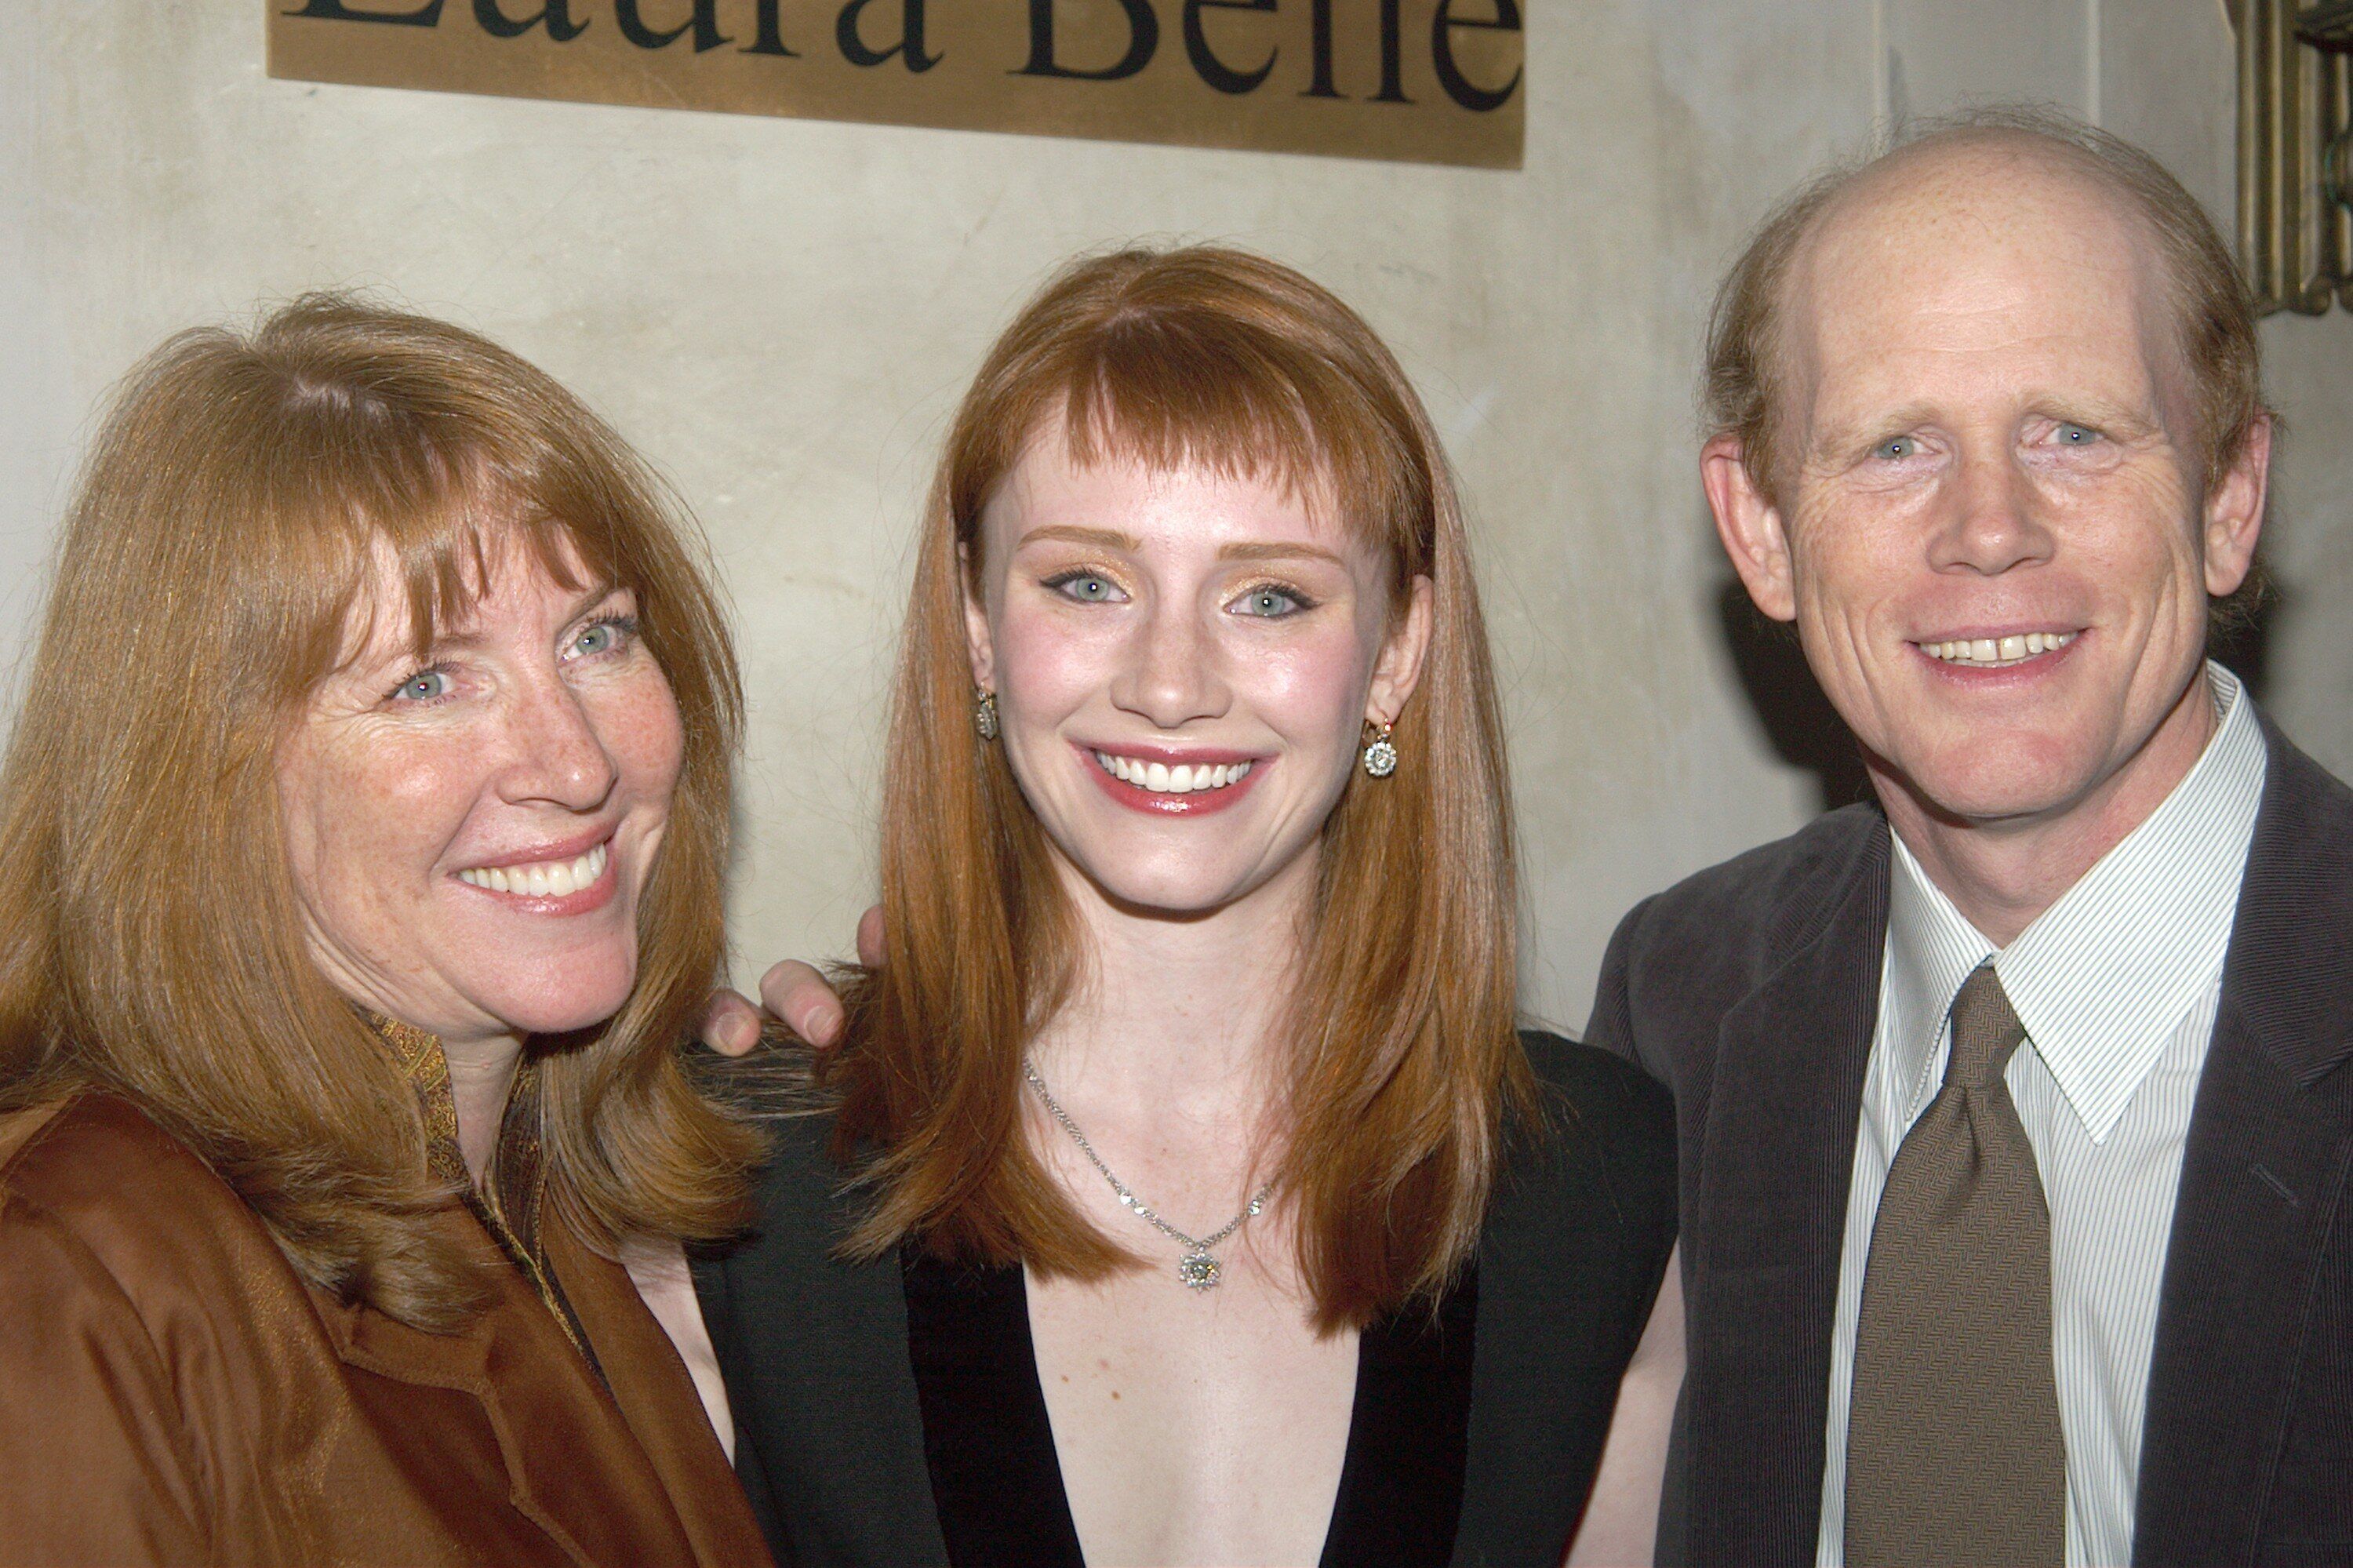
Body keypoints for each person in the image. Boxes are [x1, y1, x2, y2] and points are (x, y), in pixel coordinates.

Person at [691, 246, 1679, 1568]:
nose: (1170, 684)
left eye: (1270, 596)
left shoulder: (1600, 1189)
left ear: (1397, 650)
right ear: (978, 623)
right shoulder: (740, 1181)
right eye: (1087, 584)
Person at [1590, 108, 2351, 1566]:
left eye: (2075, 432)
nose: (1990, 528)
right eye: (1895, 447)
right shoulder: (1684, 1003)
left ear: (2229, 499)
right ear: (1761, 532)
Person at [0, 297, 774, 1566]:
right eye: (427, 681)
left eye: (598, 636)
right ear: (198, 778)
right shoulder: (61, 1273)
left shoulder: (553, 1203)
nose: (576, 764)